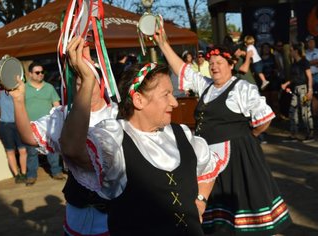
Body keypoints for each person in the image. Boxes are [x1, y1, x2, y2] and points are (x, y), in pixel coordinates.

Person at [60, 36, 224, 235]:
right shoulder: (115, 141)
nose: (174, 102)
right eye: (166, 95)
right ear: (138, 100)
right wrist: (87, 81)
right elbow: (71, 149)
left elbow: (209, 168)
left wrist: (201, 201)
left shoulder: (182, 134)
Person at [155, 29, 292, 235]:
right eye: (211, 63)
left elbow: (265, 118)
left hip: (235, 157)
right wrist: (163, 44)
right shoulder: (207, 86)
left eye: (219, 62)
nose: (214, 66)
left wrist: (248, 137)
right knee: (216, 217)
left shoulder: (242, 88)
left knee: (239, 209)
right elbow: (183, 70)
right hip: (209, 158)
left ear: (231, 65)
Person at [10, 65, 112, 234]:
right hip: (76, 216)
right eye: (79, 84)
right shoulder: (64, 116)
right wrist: (18, 100)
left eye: (89, 82)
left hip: (112, 219)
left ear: (102, 83)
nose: (84, 88)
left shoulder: (118, 115)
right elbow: (28, 137)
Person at [23, 61, 65, 186]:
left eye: (42, 72)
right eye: (37, 72)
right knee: (31, 152)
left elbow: (57, 105)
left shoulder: (49, 87)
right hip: (31, 126)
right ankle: (31, 175)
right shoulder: (23, 88)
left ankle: (56, 172)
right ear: (30, 74)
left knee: (52, 150)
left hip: (49, 126)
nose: (41, 74)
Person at [0, 81, 27, 183]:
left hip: (19, 123)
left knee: (22, 150)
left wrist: (16, 81)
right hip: (6, 125)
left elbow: (22, 87)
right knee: (10, 151)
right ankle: (16, 174)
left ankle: (23, 173)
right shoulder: (1, 93)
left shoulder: (19, 91)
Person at [281, 43, 314, 143]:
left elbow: (309, 76)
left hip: (303, 88)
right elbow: (294, 78)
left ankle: (310, 135)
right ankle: (293, 134)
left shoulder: (304, 62)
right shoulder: (294, 64)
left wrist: (310, 90)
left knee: (305, 112)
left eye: (291, 50)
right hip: (295, 89)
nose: (290, 52)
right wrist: (286, 84)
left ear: (296, 51)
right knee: (292, 111)